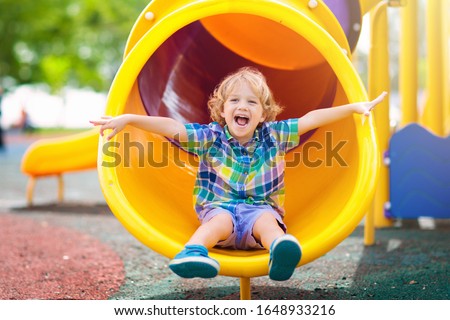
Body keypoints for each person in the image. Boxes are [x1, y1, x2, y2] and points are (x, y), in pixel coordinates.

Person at [90, 67, 387, 281]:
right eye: (234, 101)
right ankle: (193, 252)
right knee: (219, 219)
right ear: (222, 110)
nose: (242, 106)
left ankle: (280, 250)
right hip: (220, 211)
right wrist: (128, 118)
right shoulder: (210, 136)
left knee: (267, 221)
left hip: (259, 211)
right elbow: (172, 127)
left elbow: (311, 119)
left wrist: (353, 107)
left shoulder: (275, 135)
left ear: (264, 113)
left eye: (251, 102)